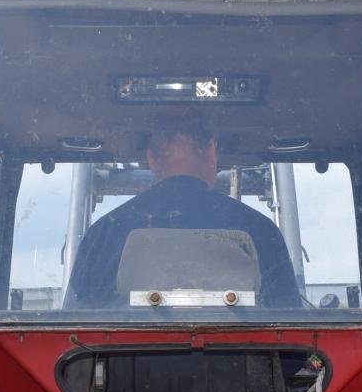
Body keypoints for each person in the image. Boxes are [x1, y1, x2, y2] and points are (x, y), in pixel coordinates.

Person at [64, 122, 300, 308]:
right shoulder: (261, 231)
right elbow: (294, 340)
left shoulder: (103, 234)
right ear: (210, 153)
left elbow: (70, 336)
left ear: (152, 159)